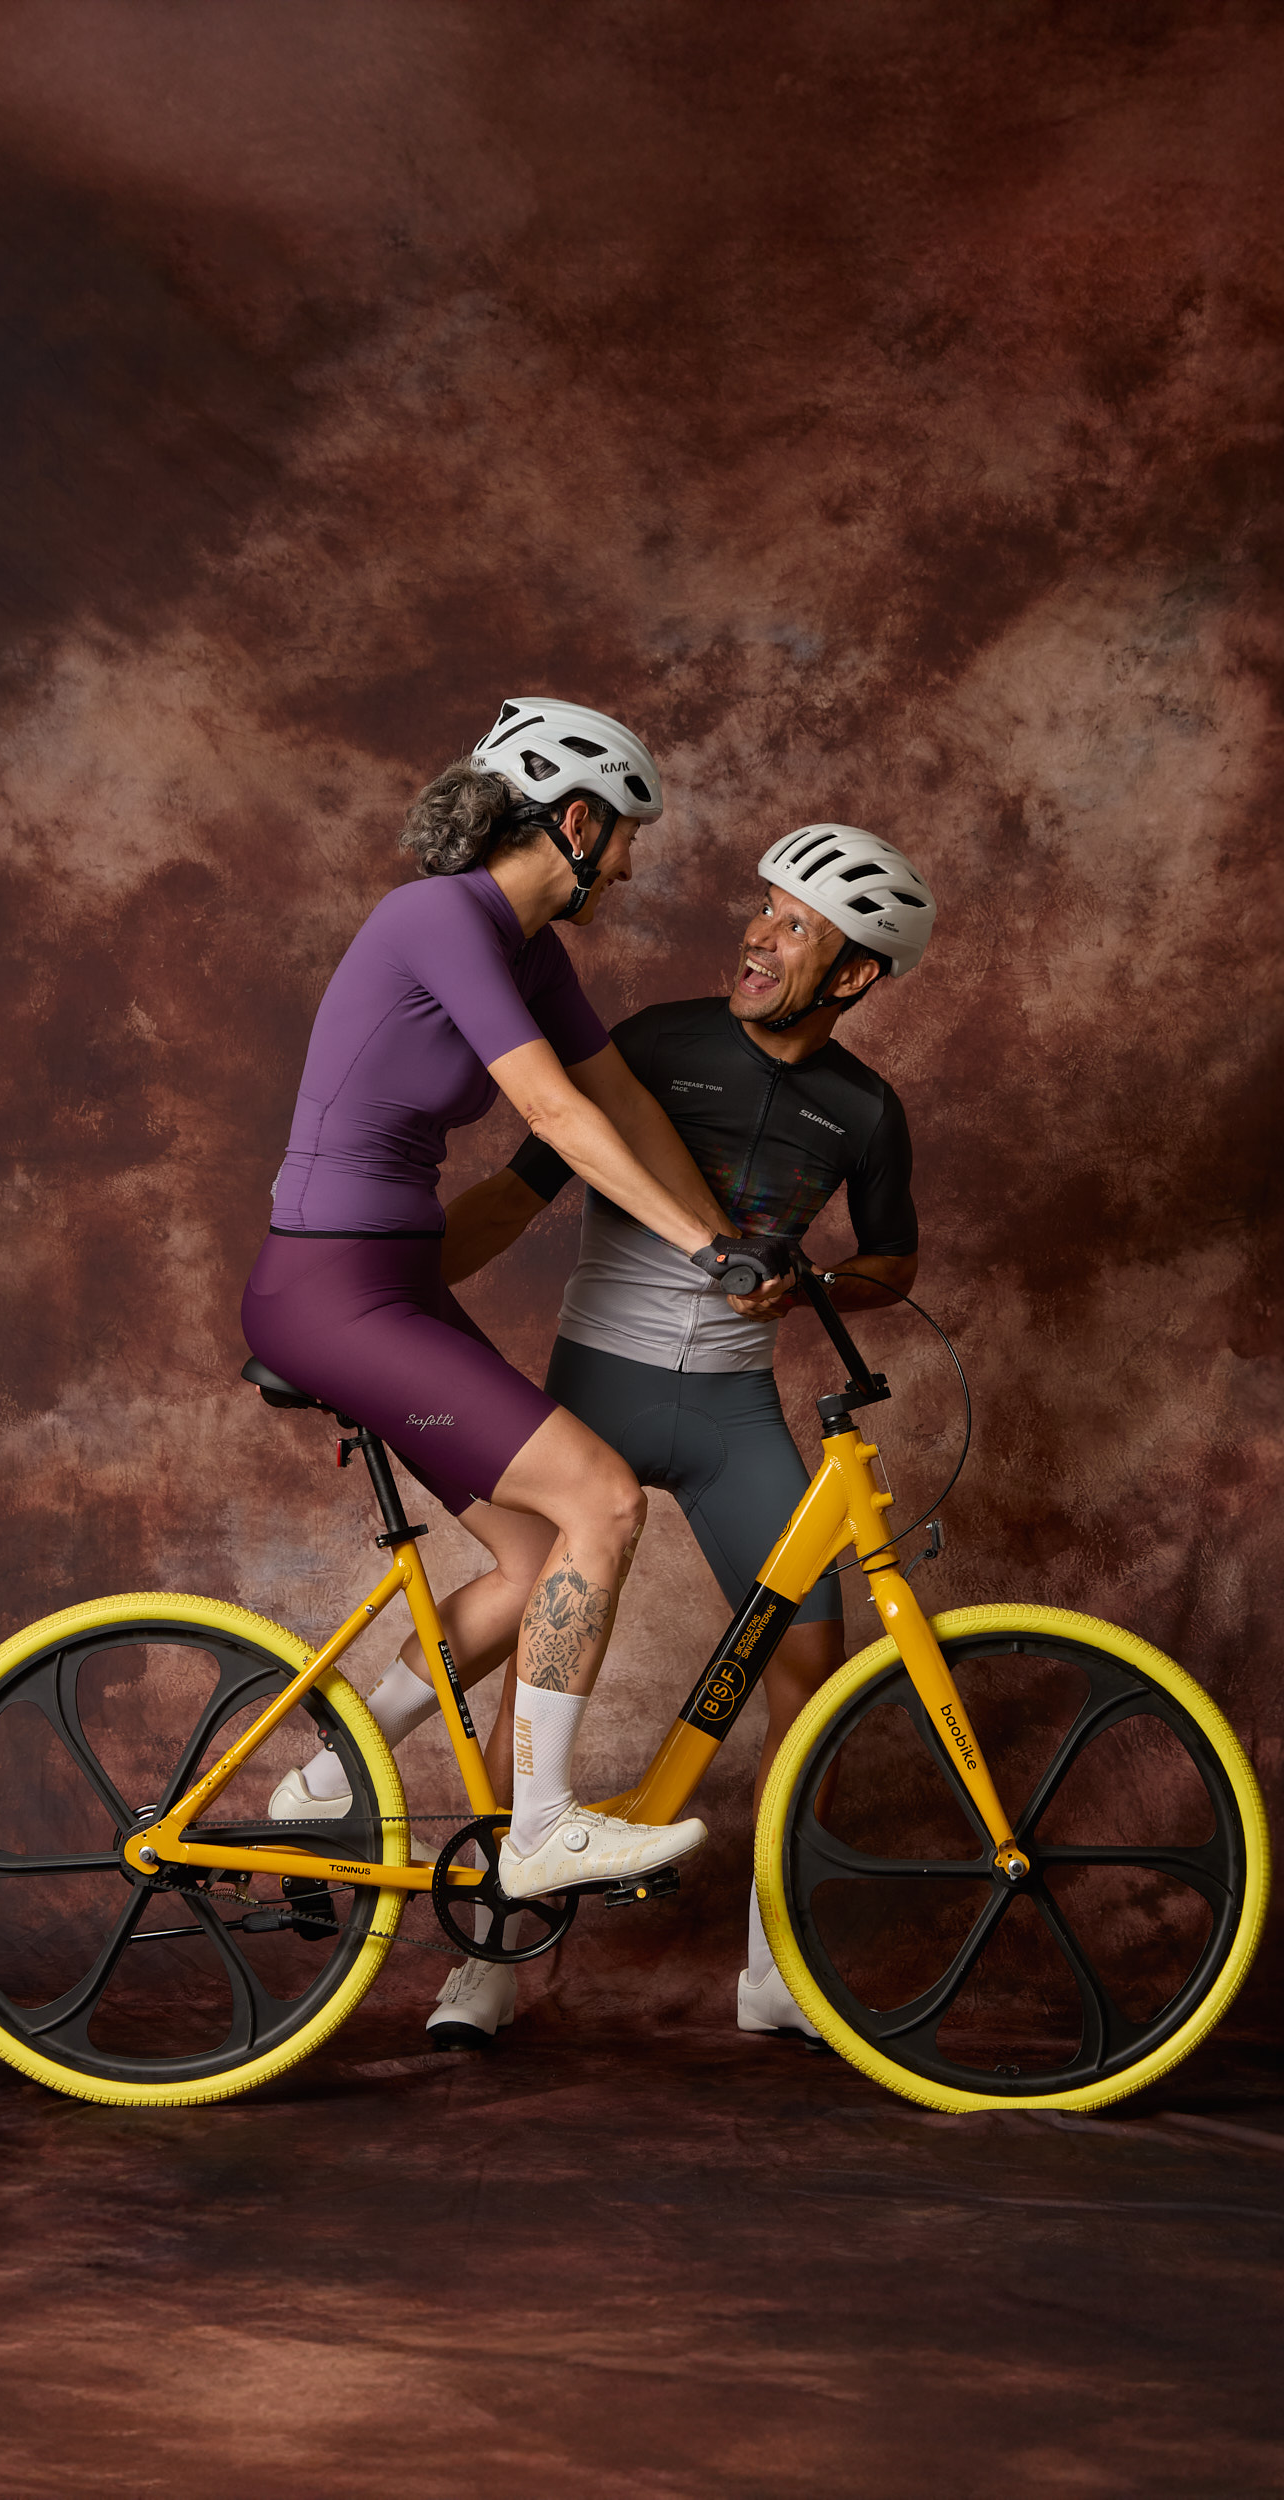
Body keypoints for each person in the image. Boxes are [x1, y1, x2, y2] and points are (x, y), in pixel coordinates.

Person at [424, 823, 934, 2044]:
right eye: (761, 910)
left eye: (793, 925)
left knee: (811, 1663)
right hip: (594, 1390)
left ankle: (772, 1967)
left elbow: (892, 1258)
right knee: (546, 1635)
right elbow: (519, 1186)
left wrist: (817, 1286)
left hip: (733, 1417)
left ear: (854, 974)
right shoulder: (655, 1039)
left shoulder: (867, 1109)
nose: (756, 936)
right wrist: (385, 1292)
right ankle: (488, 1959)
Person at [246, 698, 760, 1901]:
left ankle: (336, 1769)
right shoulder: (435, 918)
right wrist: (699, 1245)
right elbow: (554, 1115)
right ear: (576, 820)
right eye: (627, 835)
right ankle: (539, 1831)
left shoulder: (531, 950)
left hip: (391, 1288)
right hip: (334, 1294)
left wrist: (730, 1246)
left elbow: (622, 1101)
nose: (628, 865)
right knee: (603, 1499)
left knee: (537, 1559)